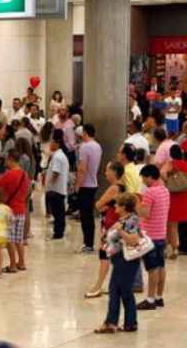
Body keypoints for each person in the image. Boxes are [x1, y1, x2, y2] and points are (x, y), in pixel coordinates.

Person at [95, 192, 143, 334]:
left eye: (117, 204)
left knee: (122, 290)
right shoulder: (124, 219)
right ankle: (125, 323)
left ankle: (115, 322)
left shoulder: (131, 220)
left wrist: (120, 231)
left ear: (124, 207)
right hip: (119, 259)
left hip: (126, 260)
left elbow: (133, 240)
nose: (114, 206)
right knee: (117, 290)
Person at [86, 162, 127, 299]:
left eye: (107, 170)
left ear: (114, 172)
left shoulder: (114, 188)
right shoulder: (123, 186)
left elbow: (98, 204)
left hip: (110, 225)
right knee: (112, 256)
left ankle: (98, 286)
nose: (105, 173)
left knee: (104, 255)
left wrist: (104, 206)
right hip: (115, 223)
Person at [136, 165, 170, 311]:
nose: (143, 181)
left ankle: (149, 299)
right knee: (161, 266)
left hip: (150, 235)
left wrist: (137, 203)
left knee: (152, 268)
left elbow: (145, 213)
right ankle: (158, 297)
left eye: (144, 178)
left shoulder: (150, 192)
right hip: (161, 233)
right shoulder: (165, 190)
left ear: (150, 176)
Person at [162, 145, 187, 259]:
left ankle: (172, 248)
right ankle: (174, 248)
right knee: (176, 224)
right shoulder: (186, 164)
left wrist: (167, 181)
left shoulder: (169, 164)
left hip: (172, 196)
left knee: (170, 225)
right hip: (183, 196)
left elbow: (162, 173)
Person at [0, 149, 29, 272]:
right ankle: (22, 263)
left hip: (9, 211)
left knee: (9, 240)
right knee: (19, 239)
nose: (5, 162)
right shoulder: (24, 175)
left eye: (6, 160)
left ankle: (12, 265)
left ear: (10, 159)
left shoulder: (8, 174)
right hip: (21, 210)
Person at [75, 124, 103, 252]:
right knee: (89, 215)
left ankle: (88, 244)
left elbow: (82, 168)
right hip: (93, 183)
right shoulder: (98, 146)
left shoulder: (84, 147)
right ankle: (89, 242)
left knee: (85, 216)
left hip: (85, 185)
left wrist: (77, 185)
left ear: (85, 133)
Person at [44, 130, 69, 240]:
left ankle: (58, 233)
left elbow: (56, 172)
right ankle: (59, 231)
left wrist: (50, 184)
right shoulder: (59, 155)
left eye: (52, 142)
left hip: (56, 190)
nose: (50, 145)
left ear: (57, 144)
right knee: (59, 212)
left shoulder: (58, 157)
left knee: (58, 212)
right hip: (58, 189)